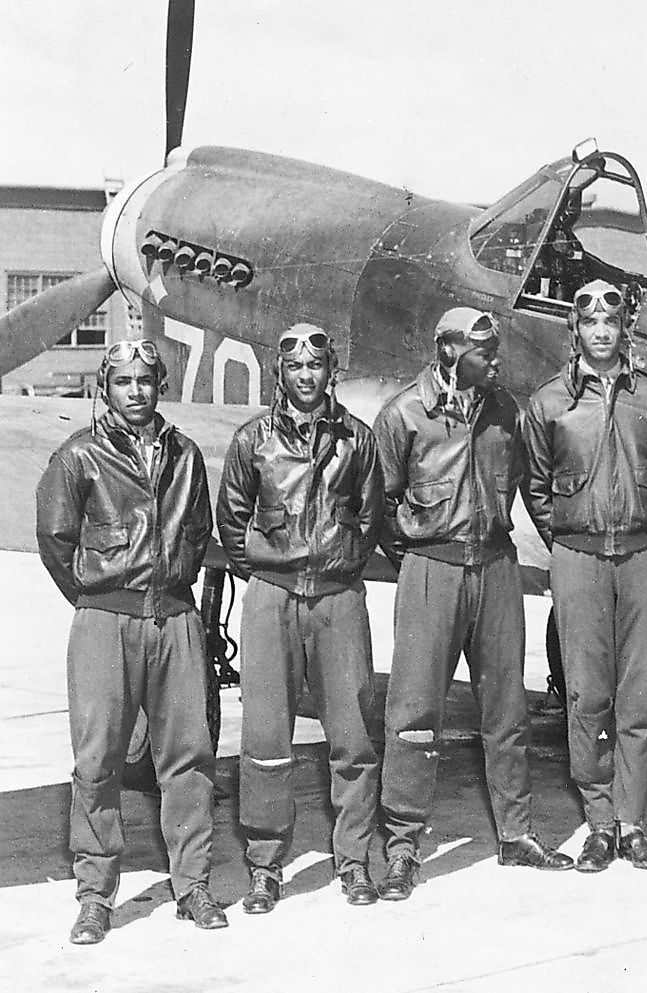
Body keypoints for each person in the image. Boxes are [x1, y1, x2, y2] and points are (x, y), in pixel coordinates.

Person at [373, 308, 573, 901]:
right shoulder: (403, 415)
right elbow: (380, 505)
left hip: (494, 566)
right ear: (450, 352)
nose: (495, 359)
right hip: (431, 569)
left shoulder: (502, 410)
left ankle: (517, 834)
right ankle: (404, 845)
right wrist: (418, 554)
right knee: (412, 712)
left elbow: (517, 482)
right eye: (484, 351)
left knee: (506, 708)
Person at [36, 338, 226, 943]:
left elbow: (196, 532)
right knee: (97, 763)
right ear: (105, 389)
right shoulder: (79, 458)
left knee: (189, 760)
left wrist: (167, 597)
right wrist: (99, 600)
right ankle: (95, 895)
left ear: (158, 386)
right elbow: (56, 540)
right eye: (124, 382)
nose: (136, 392)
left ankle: (192, 884)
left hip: (174, 621)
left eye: (146, 380)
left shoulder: (186, 456)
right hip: (104, 624)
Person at [216, 323, 384, 912]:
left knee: (354, 734)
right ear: (280, 374)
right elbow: (232, 520)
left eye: (316, 366)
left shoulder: (357, 440)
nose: (306, 376)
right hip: (272, 597)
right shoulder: (251, 441)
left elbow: (371, 516)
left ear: (328, 371)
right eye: (295, 368)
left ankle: (356, 860)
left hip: (337, 599)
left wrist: (335, 566)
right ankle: (265, 865)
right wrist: (270, 572)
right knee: (265, 735)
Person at [523, 279, 647, 872]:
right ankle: (597, 822)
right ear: (576, 330)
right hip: (578, 558)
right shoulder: (548, 404)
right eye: (589, 323)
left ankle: (633, 823)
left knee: (639, 696)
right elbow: (535, 486)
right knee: (587, 695)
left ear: (623, 331)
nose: (600, 333)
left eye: (610, 324)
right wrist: (567, 539)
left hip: (643, 555)